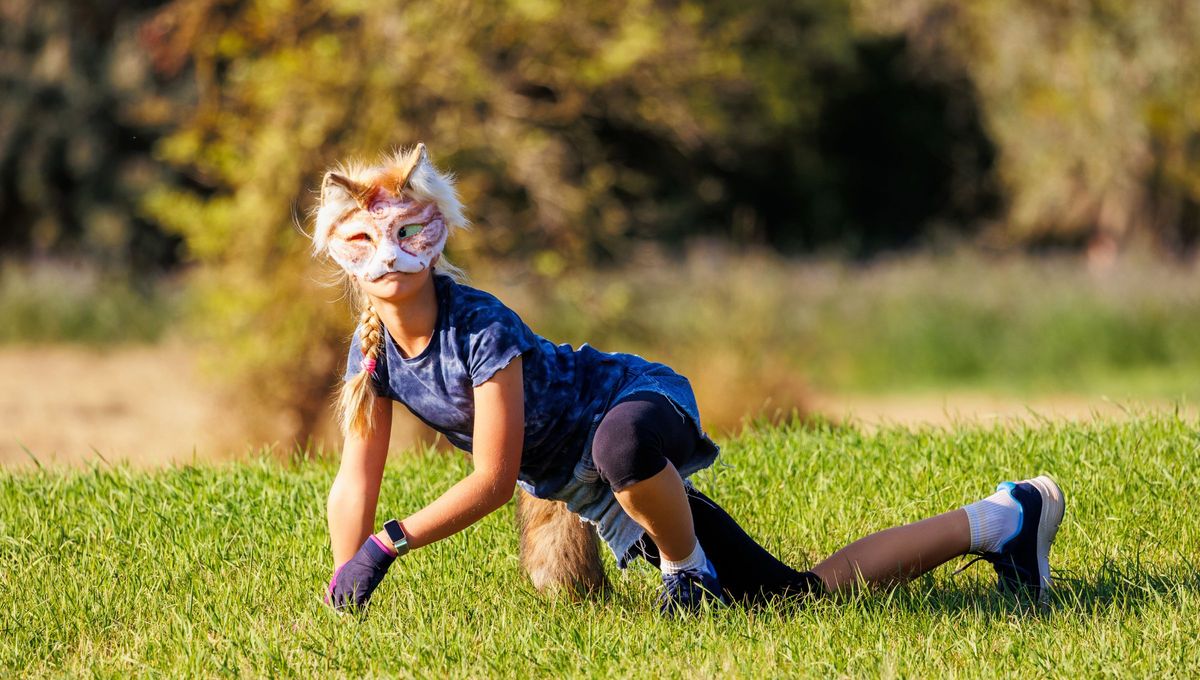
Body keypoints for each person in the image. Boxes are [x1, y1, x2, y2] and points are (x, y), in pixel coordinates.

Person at [317, 144, 1066, 615]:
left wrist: (385, 547)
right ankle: (1005, 519)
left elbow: (493, 475)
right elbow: (358, 476)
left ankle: (687, 574)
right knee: (794, 598)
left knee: (620, 446)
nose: (389, 256)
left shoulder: (482, 327)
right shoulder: (373, 351)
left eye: (409, 232)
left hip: (638, 405)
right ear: (340, 254)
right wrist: (343, 580)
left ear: (437, 233)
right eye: (365, 241)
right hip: (587, 488)